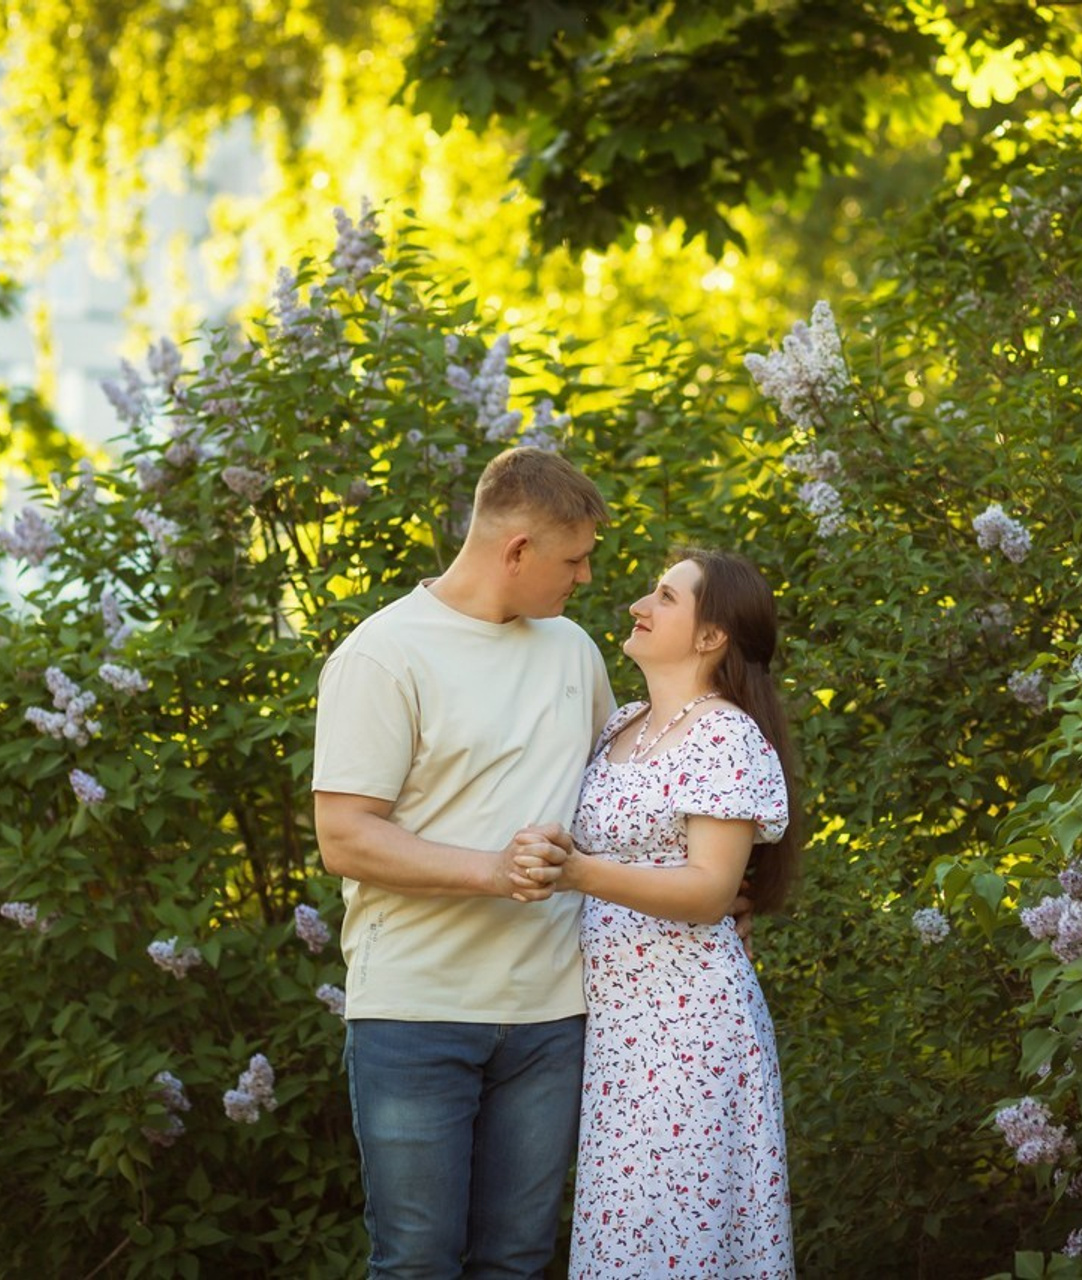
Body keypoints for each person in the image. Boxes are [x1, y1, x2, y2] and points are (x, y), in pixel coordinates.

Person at [311, 446, 615, 1279]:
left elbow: (611, 804)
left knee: (517, 1261)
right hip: (417, 1014)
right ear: (516, 550)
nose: (585, 579)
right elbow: (345, 836)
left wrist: (708, 888)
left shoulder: (572, 651)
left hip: (553, 1014)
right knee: (416, 1261)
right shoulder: (384, 655)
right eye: (574, 559)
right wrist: (494, 872)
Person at [513, 548, 801, 1279]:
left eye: (666, 598)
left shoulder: (724, 735)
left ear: (712, 637)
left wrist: (577, 872)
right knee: (628, 1237)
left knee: (678, 1240)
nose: (640, 604)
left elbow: (708, 891)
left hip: (691, 1029)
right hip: (619, 1030)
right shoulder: (624, 727)